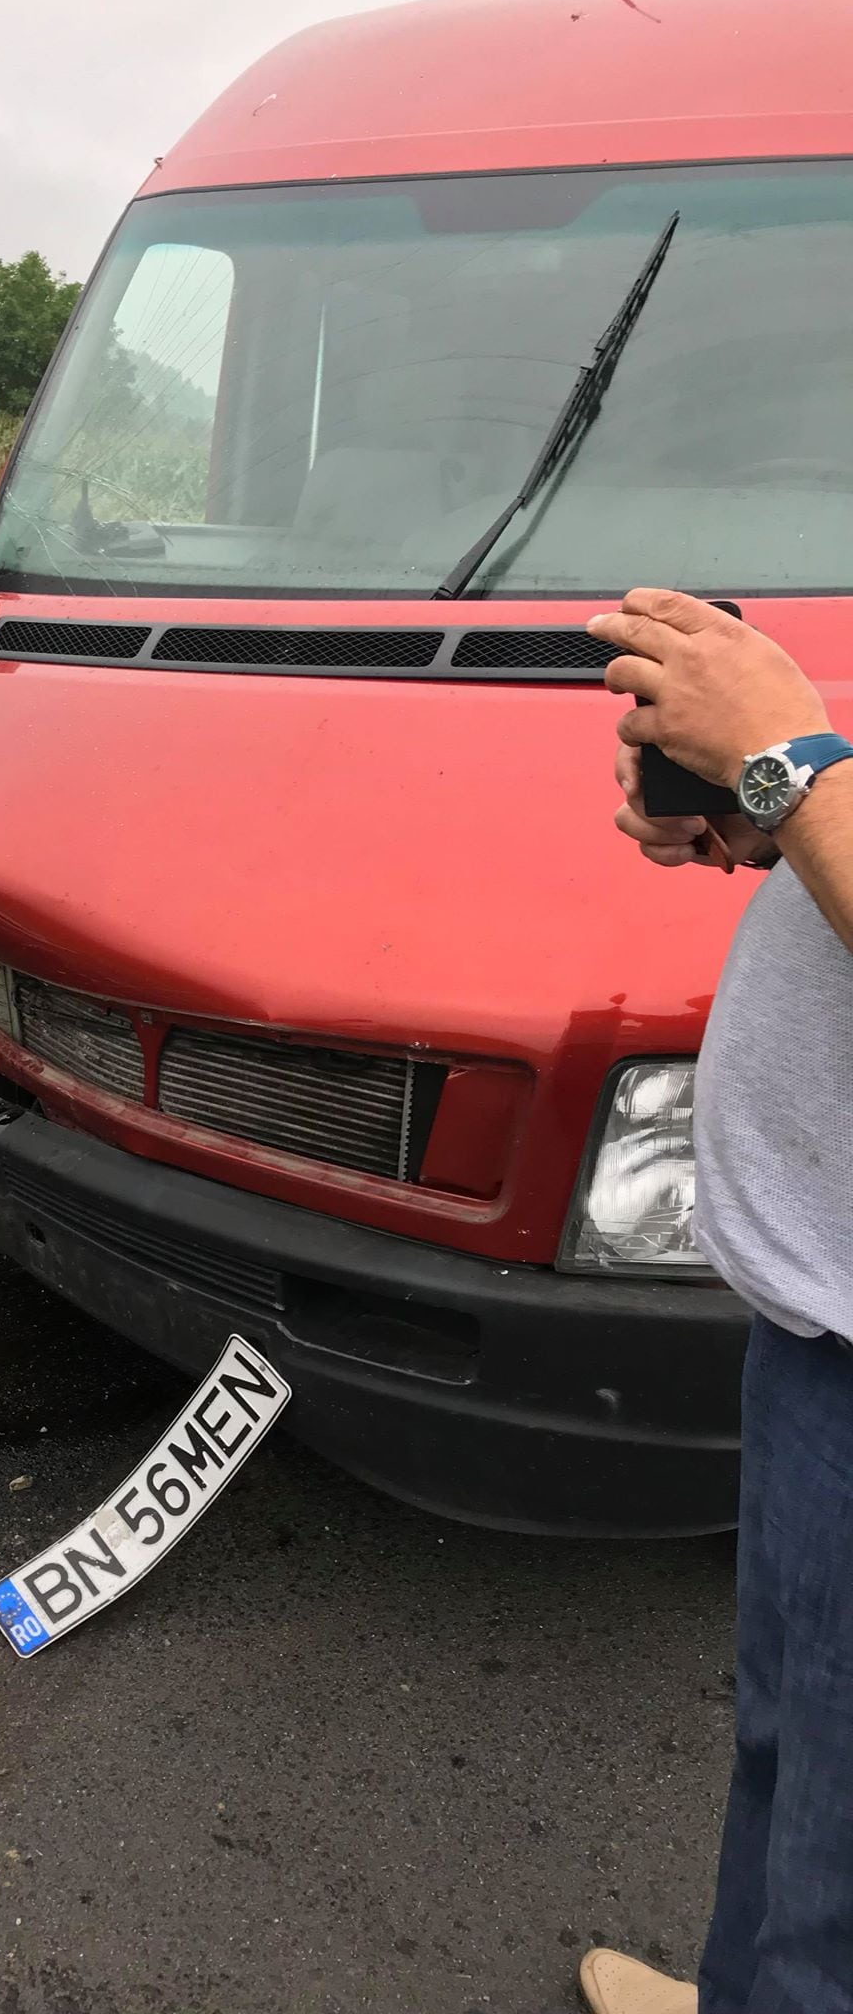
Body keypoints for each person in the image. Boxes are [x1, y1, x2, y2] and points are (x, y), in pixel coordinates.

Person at [576, 587, 853, 2014]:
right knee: (787, 1747)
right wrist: (760, 819)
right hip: (815, 1316)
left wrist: (785, 765)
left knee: (839, 1882)